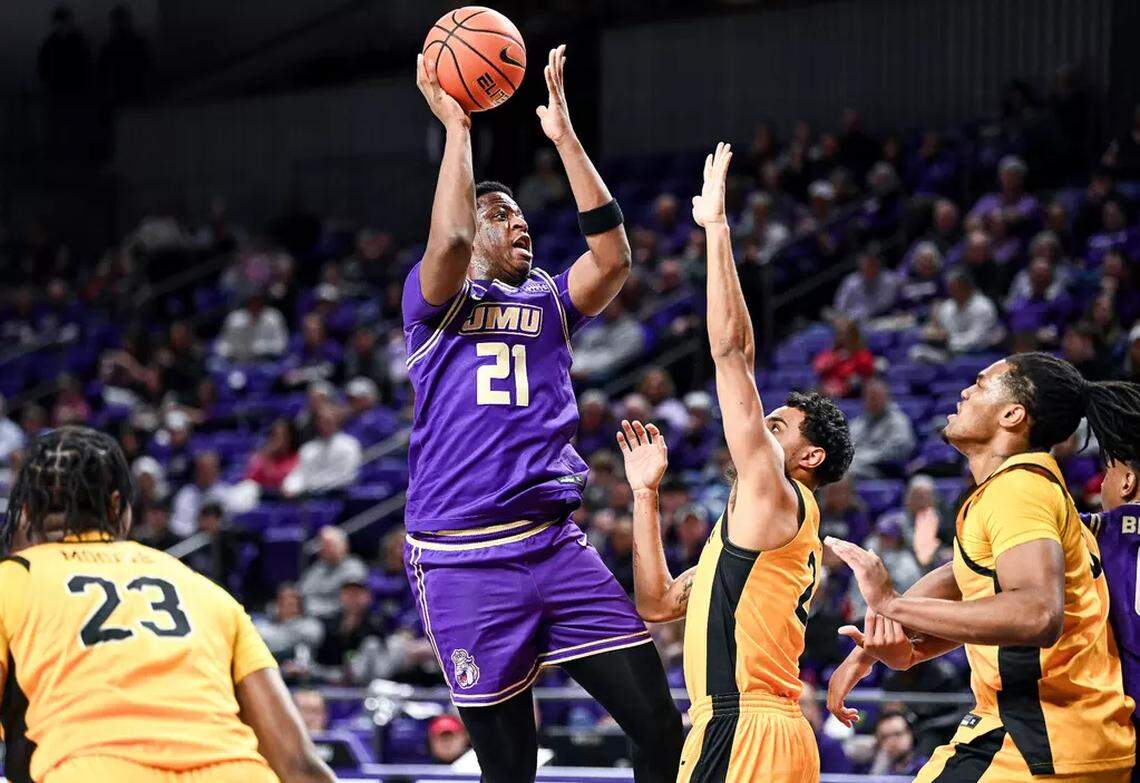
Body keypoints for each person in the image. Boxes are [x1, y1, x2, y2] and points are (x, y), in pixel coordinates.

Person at [404, 46, 680, 782]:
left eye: (523, 215)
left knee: (660, 728)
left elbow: (614, 257)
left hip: (555, 546)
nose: (519, 224)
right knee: (511, 772)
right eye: (503, 215)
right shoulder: (435, 304)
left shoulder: (552, 303)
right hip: (462, 561)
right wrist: (459, 130)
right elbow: (454, 238)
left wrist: (563, 139)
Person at [622, 143, 853, 783]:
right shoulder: (754, 540)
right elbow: (659, 602)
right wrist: (646, 496)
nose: (758, 426)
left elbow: (731, 355)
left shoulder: (777, 494)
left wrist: (716, 230)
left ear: (808, 456)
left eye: (776, 425)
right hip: (765, 732)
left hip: (740, 728)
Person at [826, 352, 1139, 781]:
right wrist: (885, 648)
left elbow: (1035, 614)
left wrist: (891, 604)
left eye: (980, 383)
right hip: (1075, 740)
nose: (966, 391)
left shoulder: (1018, 490)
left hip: (1033, 741)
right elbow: (964, 579)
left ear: (1012, 414)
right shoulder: (1034, 491)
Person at [0, 427, 334, 782]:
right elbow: (298, 763)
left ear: (25, 510)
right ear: (118, 507)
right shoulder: (201, 587)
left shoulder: (13, 580)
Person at [1082, 457, 1140, 779]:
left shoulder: (1096, 529)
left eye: (1108, 473)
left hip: (1118, 725)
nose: (1103, 484)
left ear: (1127, 482)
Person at [281, 406, 362, 498]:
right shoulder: (308, 448)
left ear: (337, 421)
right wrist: (290, 487)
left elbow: (347, 476)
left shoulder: (349, 445)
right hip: (308, 495)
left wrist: (315, 487)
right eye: (321, 421)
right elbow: (299, 474)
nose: (324, 425)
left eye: (328, 421)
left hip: (335, 496)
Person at [847, 377, 916, 478]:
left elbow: (898, 452)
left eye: (876, 397)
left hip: (884, 471)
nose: (872, 401)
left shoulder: (899, 421)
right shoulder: (858, 423)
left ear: (887, 398)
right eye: (869, 397)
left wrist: (863, 458)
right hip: (858, 466)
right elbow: (847, 447)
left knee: (845, 473)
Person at [297, 526, 368, 620]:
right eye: (322, 545)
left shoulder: (354, 568)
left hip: (336, 620)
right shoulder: (319, 566)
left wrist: (313, 608)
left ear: (344, 546)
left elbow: (349, 604)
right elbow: (302, 591)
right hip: (309, 614)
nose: (323, 549)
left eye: (329, 545)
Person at [867, 710, 928, 776]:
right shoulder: (873, 770)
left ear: (911, 734)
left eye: (897, 734)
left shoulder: (928, 768)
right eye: (884, 737)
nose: (891, 741)